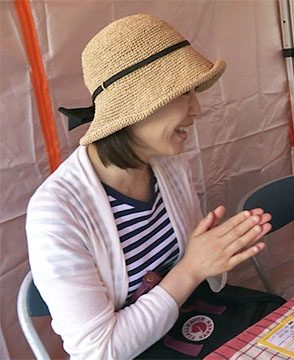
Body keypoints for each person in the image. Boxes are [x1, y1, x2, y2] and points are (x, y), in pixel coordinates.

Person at [26, 14, 276, 359]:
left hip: (191, 321)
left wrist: (216, 251)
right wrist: (191, 268)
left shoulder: (167, 164)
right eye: (184, 93)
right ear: (138, 106)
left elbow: (195, 268)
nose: (197, 109)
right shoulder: (56, 212)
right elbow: (99, 351)